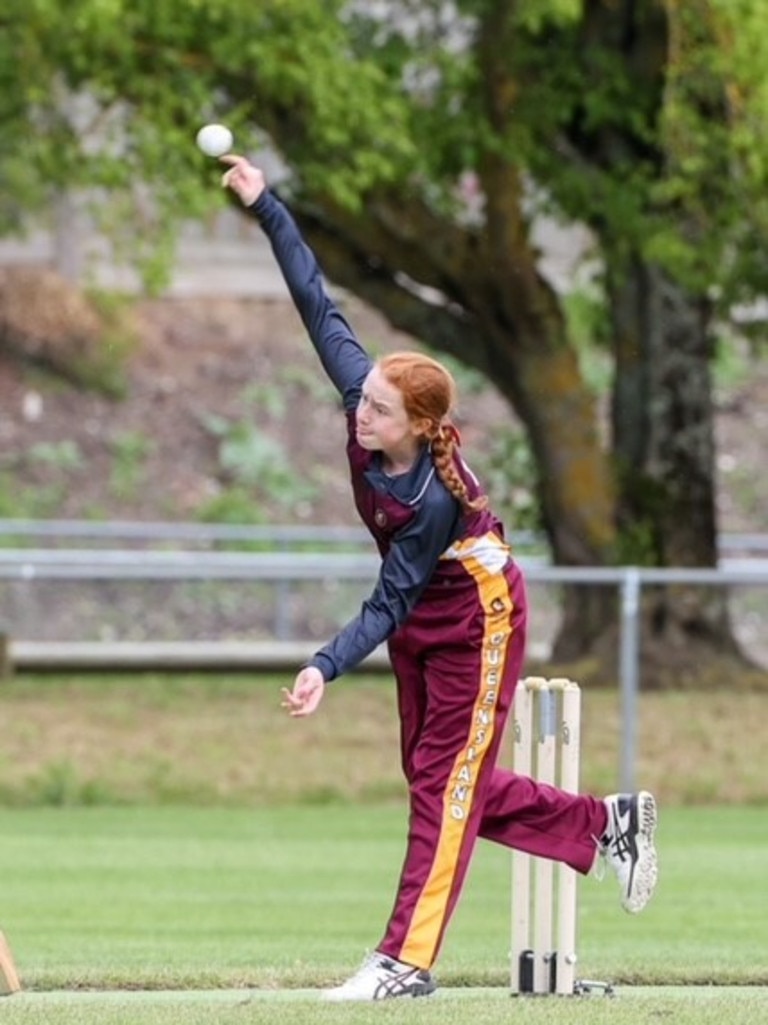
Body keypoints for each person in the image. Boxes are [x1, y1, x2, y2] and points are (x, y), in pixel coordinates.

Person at [220, 155, 658, 1002]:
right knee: (442, 784)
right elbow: (320, 304)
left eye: (379, 409)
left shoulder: (429, 501)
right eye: (364, 398)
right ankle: (608, 825)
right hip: (423, 613)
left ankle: (403, 962)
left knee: (444, 794)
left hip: (478, 617)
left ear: (420, 426)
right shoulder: (364, 397)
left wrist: (323, 663)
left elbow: (390, 596)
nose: (361, 412)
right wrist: (267, 202)